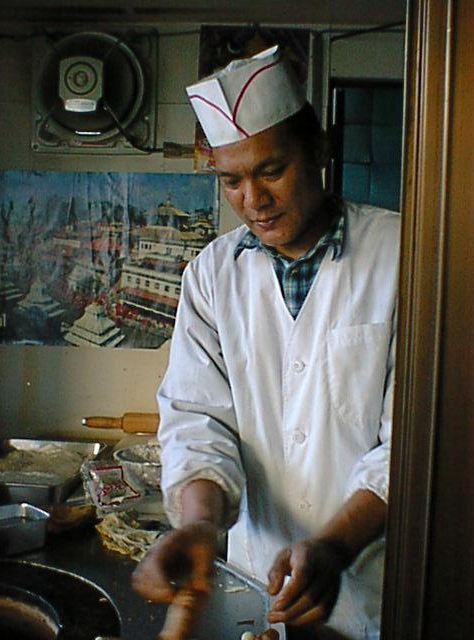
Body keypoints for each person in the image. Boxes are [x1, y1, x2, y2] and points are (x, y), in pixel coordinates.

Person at [132, 45, 399, 640]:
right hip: (254, 589)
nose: (253, 200)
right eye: (232, 180)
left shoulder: (404, 256)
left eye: (271, 170)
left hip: (374, 591)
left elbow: (412, 441)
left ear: (319, 151)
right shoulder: (211, 275)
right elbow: (198, 419)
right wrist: (199, 527)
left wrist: (334, 546)